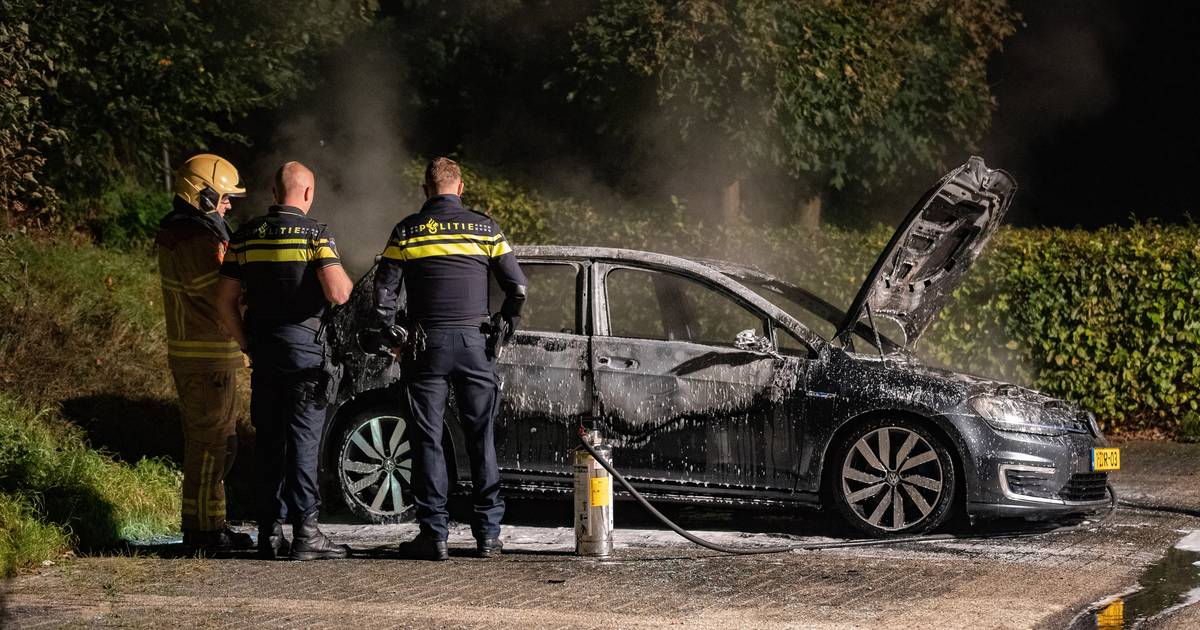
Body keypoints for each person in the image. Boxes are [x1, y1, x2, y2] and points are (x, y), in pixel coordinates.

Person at [373, 157, 527, 561]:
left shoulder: (407, 230)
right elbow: (518, 287)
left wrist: (392, 330)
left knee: (427, 439)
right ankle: (488, 536)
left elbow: (383, 291)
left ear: (426, 190)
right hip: (476, 346)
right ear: (460, 189)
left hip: (427, 349)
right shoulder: (485, 228)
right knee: (481, 439)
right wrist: (506, 321)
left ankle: (434, 535)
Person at [215, 161, 354, 561]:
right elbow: (339, 293)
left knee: (270, 443)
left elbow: (223, 300)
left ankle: (268, 534)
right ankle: (306, 535)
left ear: (274, 193)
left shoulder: (245, 236)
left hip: (265, 352)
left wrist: (247, 344)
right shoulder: (316, 235)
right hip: (307, 353)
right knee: (304, 444)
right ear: (307, 193)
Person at [156, 153, 254, 552]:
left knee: (212, 444)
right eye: (225, 197)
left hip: (202, 356)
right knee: (212, 445)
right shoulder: (196, 239)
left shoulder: (183, 232)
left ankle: (208, 526)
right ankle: (204, 533)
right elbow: (220, 294)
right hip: (205, 358)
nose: (229, 204)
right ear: (203, 194)